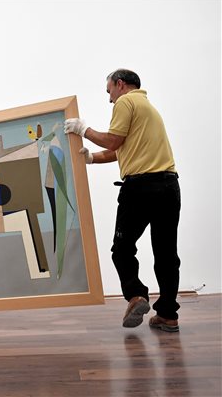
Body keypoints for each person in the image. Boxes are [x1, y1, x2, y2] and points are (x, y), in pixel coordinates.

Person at [64, 69, 181, 332]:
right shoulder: (147, 108)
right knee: (166, 253)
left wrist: (84, 129)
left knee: (122, 248)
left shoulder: (126, 102)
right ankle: (168, 315)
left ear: (120, 84)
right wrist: (91, 158)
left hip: (140, 188)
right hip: (169, 186)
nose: (110, 99)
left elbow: (114, 141)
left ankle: (136, 295)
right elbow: (121, 150)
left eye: (109, 92)